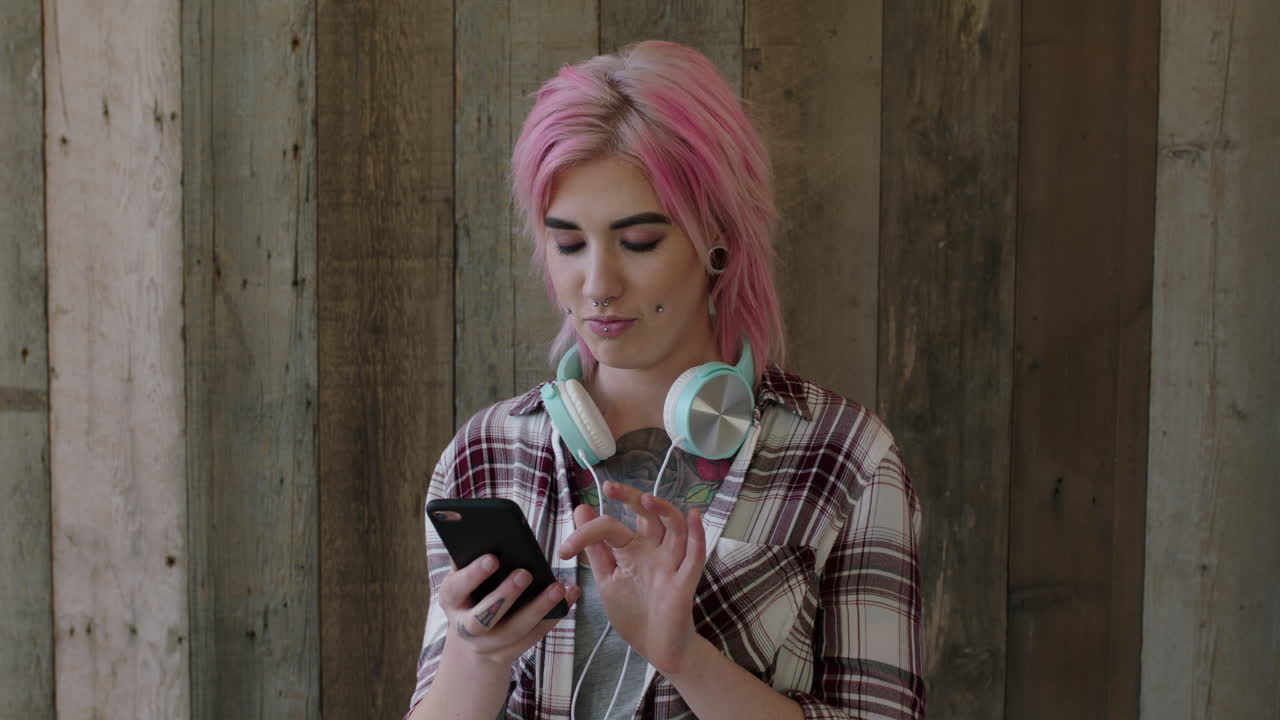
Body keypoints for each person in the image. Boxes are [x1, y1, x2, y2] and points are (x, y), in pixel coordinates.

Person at [405, 40, 925, 720]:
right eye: (568, 243)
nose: (598, 286)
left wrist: (685, 656)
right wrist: (480, 656)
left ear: (720, 238)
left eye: (639, 242)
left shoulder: (846, 459)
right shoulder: (485, 453)